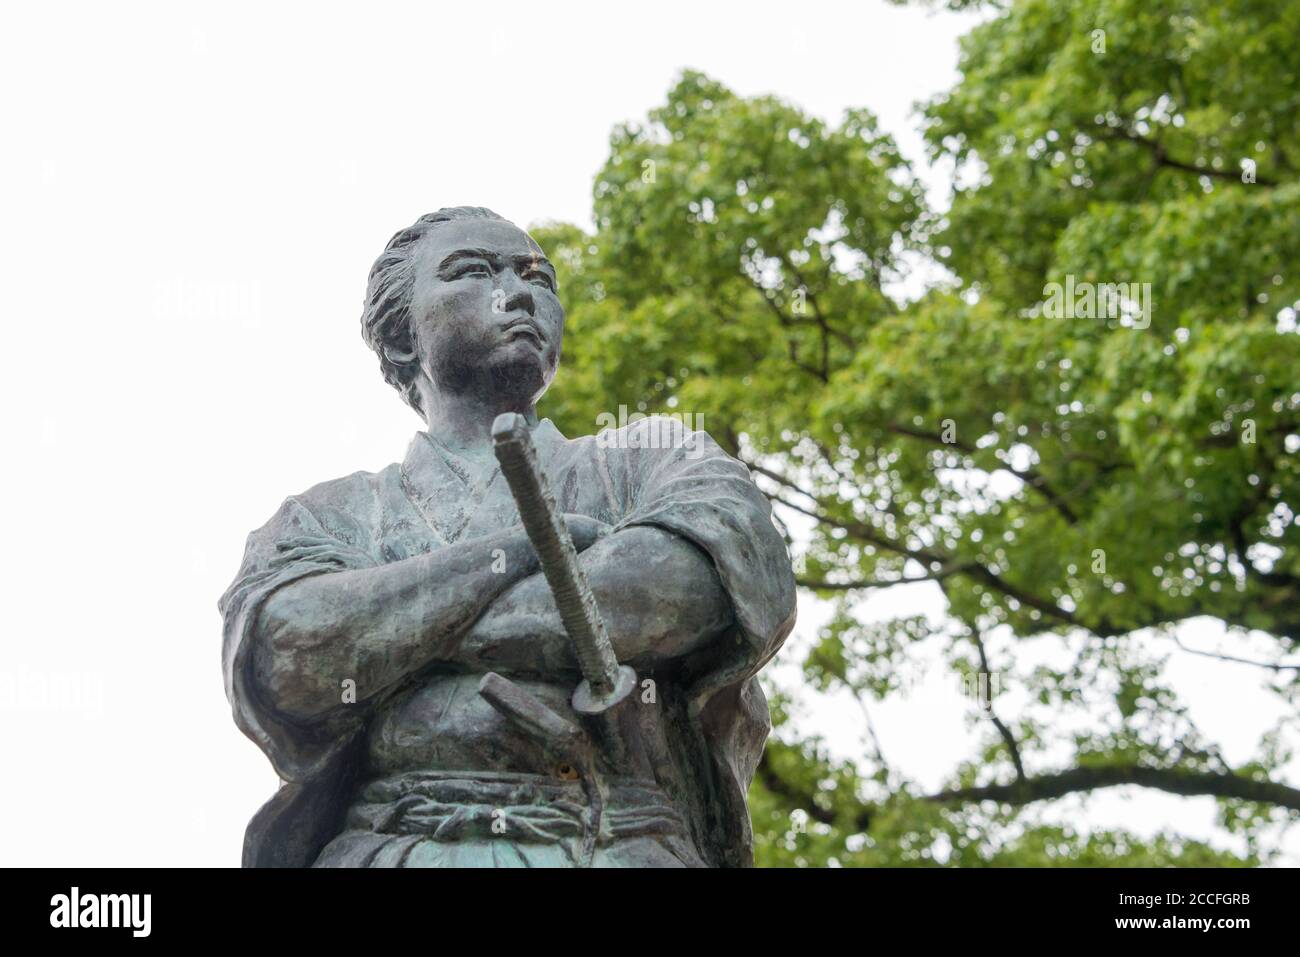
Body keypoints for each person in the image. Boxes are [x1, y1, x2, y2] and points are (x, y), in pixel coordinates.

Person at [219, 207, 796, 867]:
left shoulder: (654, 461)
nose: (520, 292)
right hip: (393, 845)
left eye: (537, 278)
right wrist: (518, 554)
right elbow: (291, 652)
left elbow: (689, 587)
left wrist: (400, 636)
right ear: (404, 337)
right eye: (471, 271)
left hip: (618, 844)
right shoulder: (331, 514)